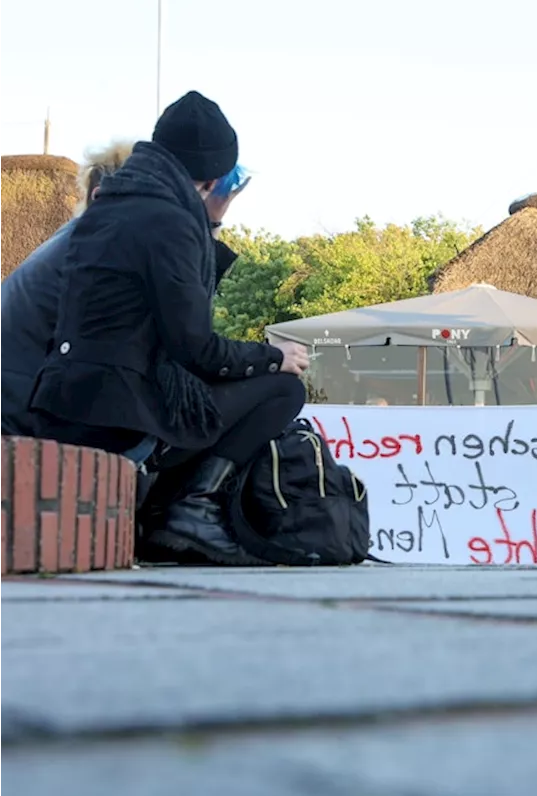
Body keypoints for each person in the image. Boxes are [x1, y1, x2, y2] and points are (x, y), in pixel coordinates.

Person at [28, 91, 312, 566]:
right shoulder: (171, 220)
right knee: (282, 389)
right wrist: (274, 356)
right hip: (118, 415)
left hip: (63, 400)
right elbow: (195, 347)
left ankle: (168, 508)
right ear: (215, 175)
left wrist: (209, 221)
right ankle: (190, 512)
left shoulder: (110, 204)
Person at [0, 140, 246, 440]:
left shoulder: (78, 240)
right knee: (267, 395)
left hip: (22, 402)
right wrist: (207, 220)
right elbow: (189, 343)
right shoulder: (110, 249)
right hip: (32, 415)